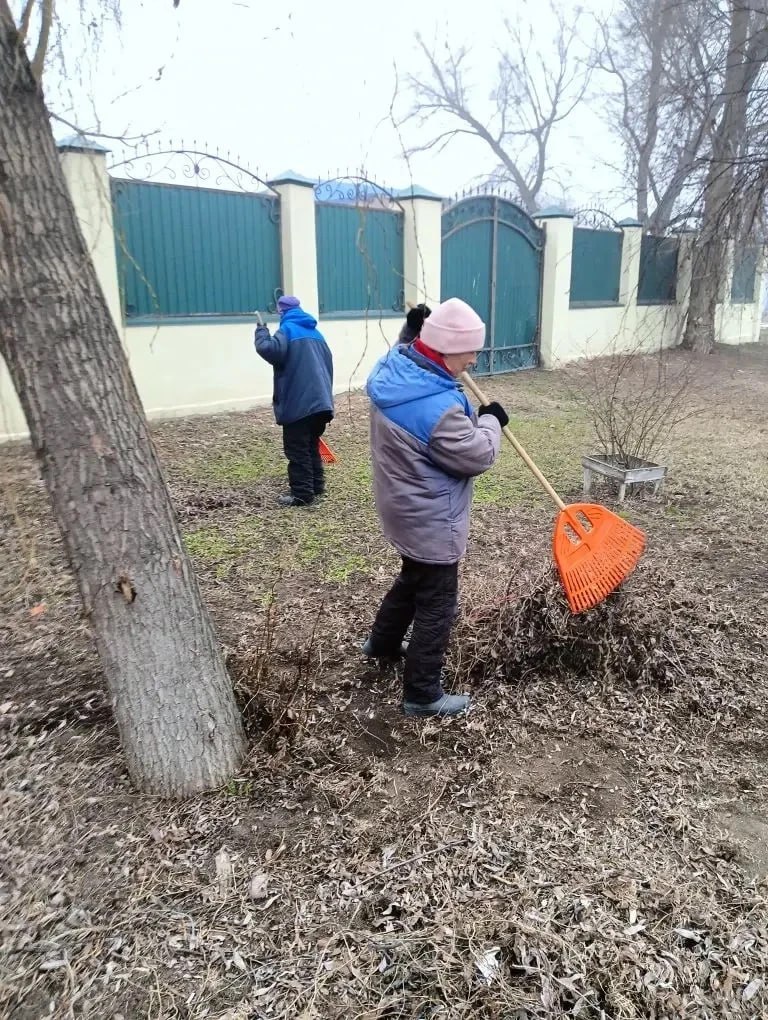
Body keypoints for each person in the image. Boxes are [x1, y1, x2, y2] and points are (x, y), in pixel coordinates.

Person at [362, 297, 509, 717]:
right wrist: (492, 420)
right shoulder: (438, 409)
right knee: (438, 604)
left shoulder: (396, 369)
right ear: (445, 351)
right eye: (470, 352)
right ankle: (422, 693)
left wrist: (413, 332)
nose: (475, 361)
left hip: (402, 505)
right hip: (430, 516)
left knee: (413, 579)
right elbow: (477, 456)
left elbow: (404, 350)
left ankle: (382, 642)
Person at [254, 296, 334, 508]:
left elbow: (269, 350)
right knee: (311, 445)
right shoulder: (316, 333)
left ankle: (302, 495)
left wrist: (261, 330)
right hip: (321, 402)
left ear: (282, 311)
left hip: (299, 402)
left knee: (297, 448)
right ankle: (316, 486)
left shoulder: (288, 329)